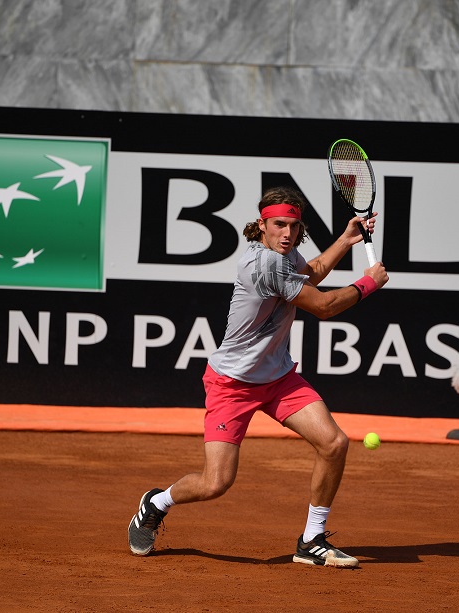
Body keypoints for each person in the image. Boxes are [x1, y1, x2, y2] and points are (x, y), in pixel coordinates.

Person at [128, 186, 389, 568]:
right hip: (232, 385)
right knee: (215, 483)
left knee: (333, 443)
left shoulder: (285, 256)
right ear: (262, 225)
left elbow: (310, 272)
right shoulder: (263, 264)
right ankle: (157, 502)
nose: (287, 233)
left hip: (278, 378)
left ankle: (312, 540)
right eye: (279, 225)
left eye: (294, 226)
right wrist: (368, 283)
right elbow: (324, 305)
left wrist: (346, 240)